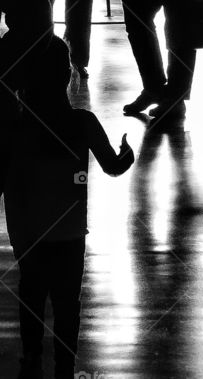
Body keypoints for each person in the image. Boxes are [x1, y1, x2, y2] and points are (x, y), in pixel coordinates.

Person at [4, 36, 134, 379]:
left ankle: (31, 357)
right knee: (67, 302)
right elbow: (113, 166)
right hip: (70, 230)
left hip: (28, 230)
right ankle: (65, 363)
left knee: (31, 293)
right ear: (67, 76)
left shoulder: (15, 128)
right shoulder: (83, 123)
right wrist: (127, 154)